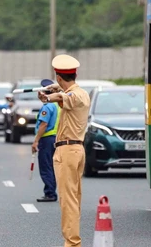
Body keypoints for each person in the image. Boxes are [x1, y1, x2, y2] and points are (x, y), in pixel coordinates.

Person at [37, 54, 90, 247]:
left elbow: (62, 96)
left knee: (67, 201)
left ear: (59, 77)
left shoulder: (71, 96)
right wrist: (56, 88)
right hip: (77, 150)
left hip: (67, 151)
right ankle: (73, 241)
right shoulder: (83, 93)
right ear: (74, 75)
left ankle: (72, 244)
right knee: (74, 199)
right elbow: (63, 92)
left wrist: (47, 97)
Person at [32, 78, 60, 203]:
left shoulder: (47, 106)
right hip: (56, 138)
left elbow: (43, 125)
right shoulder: (57, 105)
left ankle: (50, 192)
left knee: (46, 167)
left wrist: (36, 140)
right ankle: (52, 191)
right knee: (52, 167)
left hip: (46, 139)